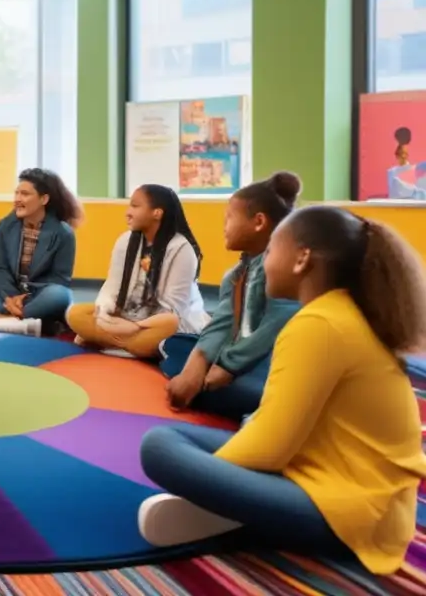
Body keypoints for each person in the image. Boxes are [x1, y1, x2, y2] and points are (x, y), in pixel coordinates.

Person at [138, 206, 426, 576]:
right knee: (175, 437)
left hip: (348, 514)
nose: (266, 260)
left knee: (160, 447)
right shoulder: (340, 312)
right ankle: (238, 506)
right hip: (338, 482)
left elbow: (269, 449)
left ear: (302, 258)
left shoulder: (319, 323)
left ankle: (236, 511)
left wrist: (209, 480)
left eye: (272, 250)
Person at [160, 172, 302, 420]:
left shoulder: (279, 269)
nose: (224, 226)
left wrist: (227, 366)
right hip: (247, 357)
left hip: (277, 363)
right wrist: (198, 365)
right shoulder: (241, 270)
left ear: (259, 222)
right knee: (172, 346)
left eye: (229, 218)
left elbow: (271, 328)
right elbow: (224, 321)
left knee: (185, 370)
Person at [66, 185, 207, 358]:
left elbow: (173, 308)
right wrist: (105, 313)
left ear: (157, 213)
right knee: (75, 314)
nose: (127, 212)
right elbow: (111, 287)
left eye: (135, 206)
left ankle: (113, 342)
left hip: (157, 324)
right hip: (123, 319)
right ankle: (131, 346)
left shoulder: (181, 249)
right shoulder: (125, 241)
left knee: (169, 324)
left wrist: (137, 326)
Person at [0, 168, 78, 337]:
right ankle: (20, 323)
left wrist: (23, 298)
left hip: (38, 299)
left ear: (44, 199)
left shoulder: (63, 233)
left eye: (25, 194)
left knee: (60, 295)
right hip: (7, 299)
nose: (17, 199)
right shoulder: (5, 226)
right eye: (16, 193)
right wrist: (11, 297)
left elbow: (60, 279)